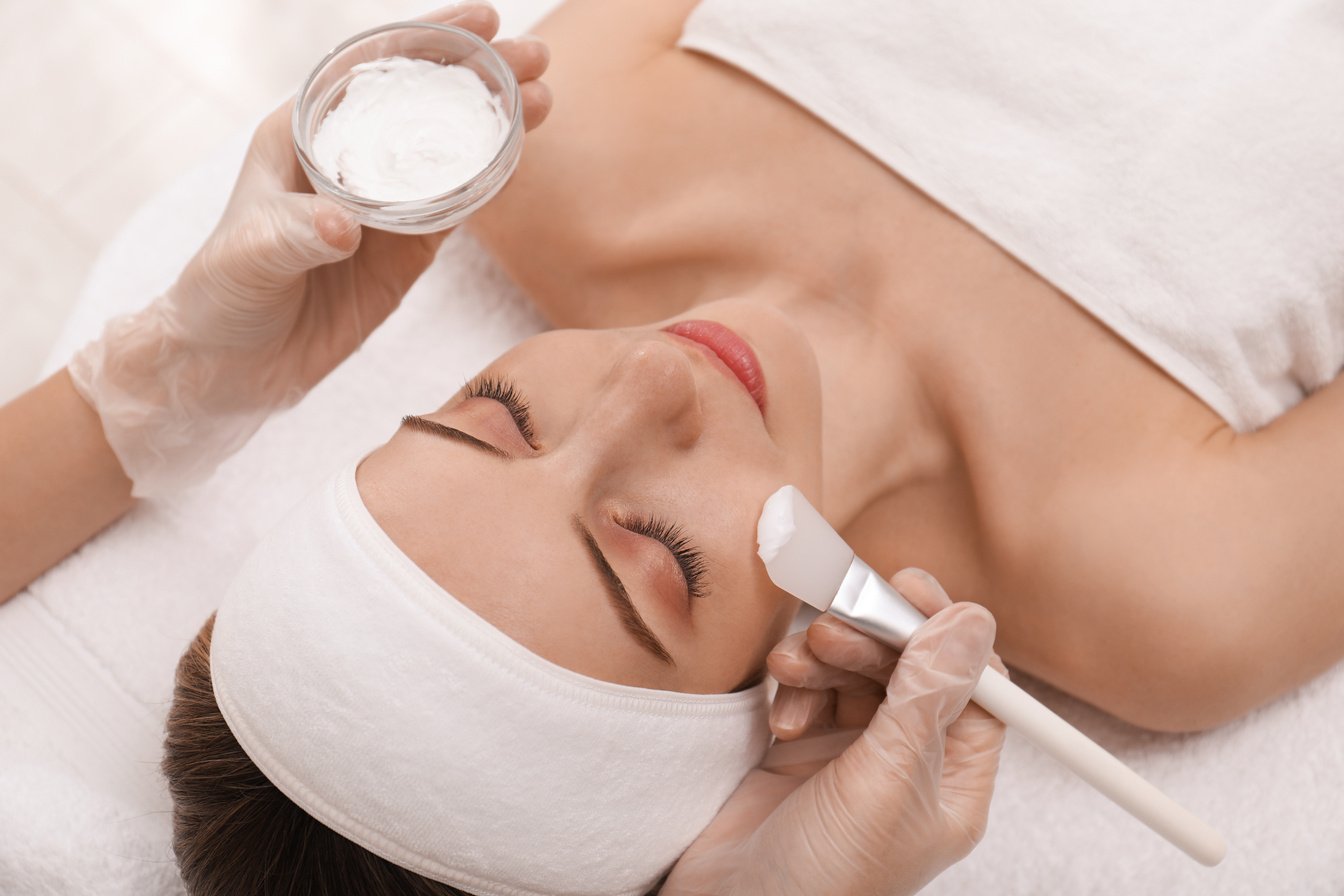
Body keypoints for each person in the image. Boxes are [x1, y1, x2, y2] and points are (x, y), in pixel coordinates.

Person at [0, 2, 1009, 894]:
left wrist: (162, 385)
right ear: (759, 705)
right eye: (662, 548)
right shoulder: (1145, 588)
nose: (650, 376)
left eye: (497, 412)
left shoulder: (585, 142)